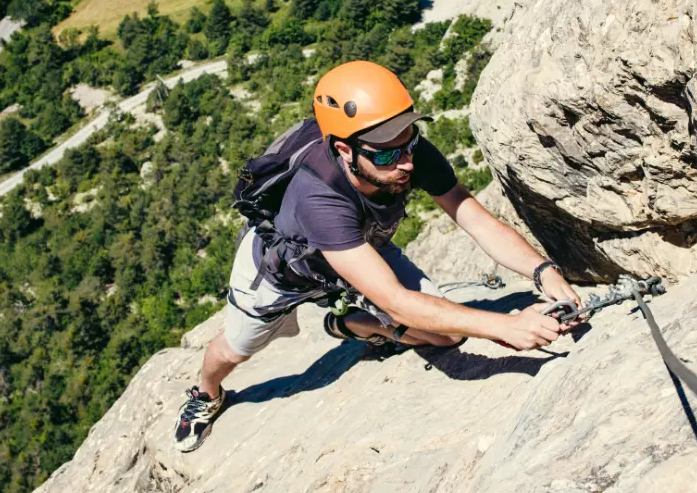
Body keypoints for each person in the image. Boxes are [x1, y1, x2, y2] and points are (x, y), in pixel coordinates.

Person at [173, 61, 582, 452]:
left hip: (362, 248)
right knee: (233, 351)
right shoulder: (318, 199)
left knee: (449, 334)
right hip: (283, 273)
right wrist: (503, 326)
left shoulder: (404, 150)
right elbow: (397, 301)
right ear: (343, 150)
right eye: (387, 154)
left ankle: (350, 324)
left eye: (409, 143)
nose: (405, 162)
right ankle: (205, 395)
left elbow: (475, 220)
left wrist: (543, 271)